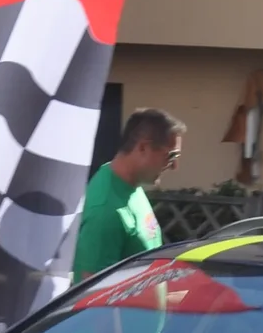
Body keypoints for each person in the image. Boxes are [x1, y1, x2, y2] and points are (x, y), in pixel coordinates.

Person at [72, 107, 182, 282]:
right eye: (170, 155)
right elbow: (92, 296)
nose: (174, 166)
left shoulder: (130, 187)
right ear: (143, 147)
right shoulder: (106, 209)